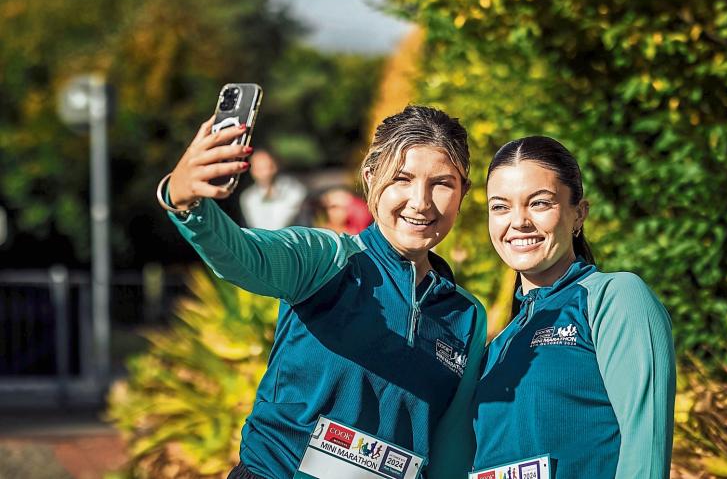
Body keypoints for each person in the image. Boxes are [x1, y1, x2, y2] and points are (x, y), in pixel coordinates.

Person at [156, 105, 486, 479]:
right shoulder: (327, 260)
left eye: (442, 183)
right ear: (370, 178)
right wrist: (185, 201)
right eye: (402, 179)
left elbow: (451, 453)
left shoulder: (466, 315)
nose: (421, 201)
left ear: (463, 194)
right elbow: (242, 255)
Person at [471, 136, 675, 478]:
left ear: (578, 214)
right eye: (500, 206)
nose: (518, 221)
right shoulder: (497, 345)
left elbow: (645, 455)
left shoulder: (616, 298)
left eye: (539, 203)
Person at [239, 148, 307, 229]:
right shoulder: (248, 197)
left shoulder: (295, 191)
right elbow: (257, 227)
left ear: (275, 166)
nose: (264, 172)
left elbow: (280, 224)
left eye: (267, 167)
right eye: (258, 168)